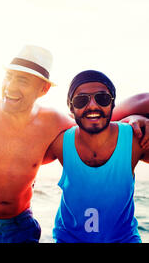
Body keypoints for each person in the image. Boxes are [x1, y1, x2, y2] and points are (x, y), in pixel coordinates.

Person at [0, 45, 149, 243]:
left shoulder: (53, 123)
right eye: (8, 77)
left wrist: (132, 118)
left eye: (22, 80)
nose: (10, 87)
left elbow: (92, 118)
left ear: (43, 89)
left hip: (20, 226)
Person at [44, 70, 149, 242]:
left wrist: (138, 117)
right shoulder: (60, 143)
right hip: (69, 239)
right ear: (71, 107)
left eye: (102, 98)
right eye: (81, 100)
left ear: (113, 104)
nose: (92, 106)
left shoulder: (135, 140)